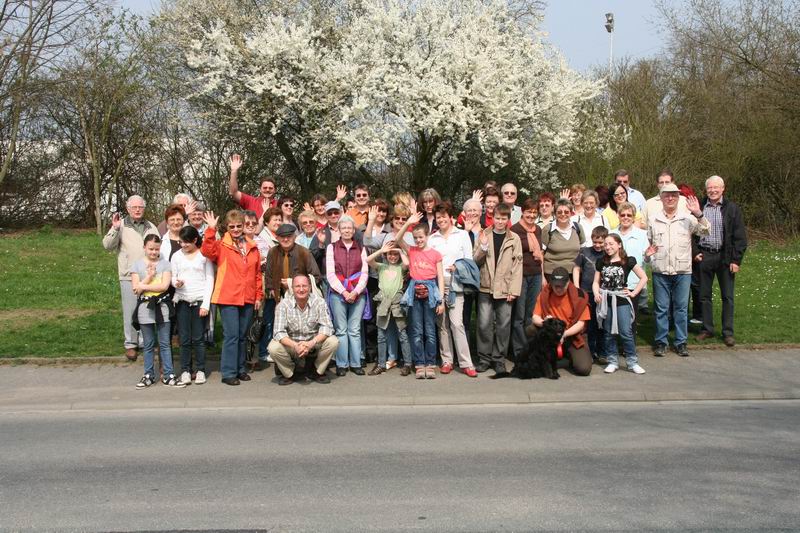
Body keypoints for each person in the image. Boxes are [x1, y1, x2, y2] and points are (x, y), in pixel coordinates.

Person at [645, 183, 709, 358]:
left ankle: (681, 342)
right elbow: (649, 243)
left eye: (674, 195)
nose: (670, 198)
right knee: (661, 309)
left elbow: (705, 231)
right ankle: (661, 342)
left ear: (678, 197)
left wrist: (698, 213)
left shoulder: (687, 218)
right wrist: (649, 258)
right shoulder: (653, 219)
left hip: (682, 270)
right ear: (661, 198)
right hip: (660, 270)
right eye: (667, 195)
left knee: (681, 308)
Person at [201, 210, 263, 385]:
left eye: (239, 226)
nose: (235, 229)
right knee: (232, 335)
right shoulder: (221, 245)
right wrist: (211, 230)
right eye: (232, 226)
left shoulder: (252, 246)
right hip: (228, 296)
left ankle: (240, 369)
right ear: (227, 227)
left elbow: (257, 274)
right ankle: (228, 372)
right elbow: (207, 251)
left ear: (244, 226)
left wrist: (258, 295)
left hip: (248, 296)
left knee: (243, 336)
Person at [102, 195, 160, 361]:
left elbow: (158, 247)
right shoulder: (121, 225)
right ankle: (131, 344)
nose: (137, 210)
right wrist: (114, 229)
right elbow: (107, 245)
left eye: (140, 207)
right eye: (134, 207)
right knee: (130, 311)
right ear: (128, 209)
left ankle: (146, 342)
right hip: (128, 275)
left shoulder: (151, 226)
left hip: (149, 276)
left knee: (147, 310)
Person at [693, 175, 747, 347]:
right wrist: (695, 252)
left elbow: (740, 237)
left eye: (716, 187)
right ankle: (707, 329)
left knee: (727, 296)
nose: (713, 190)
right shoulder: (699, 207)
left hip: (725, 257)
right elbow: (690, 233)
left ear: (723, 189)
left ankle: (728, 332)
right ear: (706, 189)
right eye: (710, 187)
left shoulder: (732, 209)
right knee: (704, 295)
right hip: (705, 255)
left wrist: (736, 260)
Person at [428, 202, 478, 377]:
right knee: (442, 325)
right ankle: (447, 360)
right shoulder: (432, 238)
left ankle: (466, 363)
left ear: (450, 217)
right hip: (437, 284)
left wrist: (458, 267)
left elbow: (469, 260)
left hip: (456, 284)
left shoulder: (462, 235)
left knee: (457, 323)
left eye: (444, 216)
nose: (441, 220)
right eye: (438, 217)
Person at [473, 203, 523, 374]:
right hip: (485, 286)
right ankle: (484, 358)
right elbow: (475, 260)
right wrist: (483, 247)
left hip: (505, 288)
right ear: (492, 218)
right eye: (497, 218)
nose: (500, 221)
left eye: (503, 218)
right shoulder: (484, 234)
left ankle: (499, 359)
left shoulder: (514, 238)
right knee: (484, 324)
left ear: (508, 219)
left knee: (503, 325)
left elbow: (517, 266)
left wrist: (513, 290)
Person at [395, 211, 445, 379]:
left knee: (430, 330)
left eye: (421, 237)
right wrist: (408, 222)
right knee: (416, 330)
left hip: (431, 291)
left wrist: (441, 300)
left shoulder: (435, 254)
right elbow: (398, 239)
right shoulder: (412, 250)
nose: (418, 240)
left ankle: (430, 363)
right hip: (414, 291)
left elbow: (440, 278)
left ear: (427, 236)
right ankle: (419, 363)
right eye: (415, 238)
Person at [131, 234, 184, 388]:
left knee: (165, 343)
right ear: (144, 248)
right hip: (144, 308)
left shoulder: (165, 264)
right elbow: (136, 290)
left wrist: (143, 286)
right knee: (148, 344)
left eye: (156, 249)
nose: (154, 252)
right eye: (151, 249)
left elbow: (164, 286)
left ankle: (168, 374)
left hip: (162, 307)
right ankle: (148, 375)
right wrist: (149, 277)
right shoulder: (137, 265)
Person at [593, 234, 648, 374]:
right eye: (606, 244)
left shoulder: (628, 261)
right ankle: (612, 361)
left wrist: (633, 293)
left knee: (625, 331)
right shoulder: (601, 262)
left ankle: (632, 362)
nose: (607, 247)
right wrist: (596, 293)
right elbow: (596, 282)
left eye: (611, 244)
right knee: (608, 332)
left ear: (619, 245)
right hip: (606, 300)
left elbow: (644, 277)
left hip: (621, 299)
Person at [268, 275, 338, 385]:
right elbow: (278, 332)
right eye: (297, 286)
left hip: (313, 343)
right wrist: (295, 346)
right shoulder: (283, 305)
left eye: (304, 286)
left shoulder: (319, 302)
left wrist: (311, 343)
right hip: (292, 344)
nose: (301, 289)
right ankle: (290, 373)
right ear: (292, 288)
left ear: (310, 287)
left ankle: (316, 371)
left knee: (333, 341)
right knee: (273, 347)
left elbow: (327, 327)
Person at [171, 226, 214, 385]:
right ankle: (185, 370)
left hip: (199, 301)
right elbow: (173, 276)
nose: (183, 245)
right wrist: (176, 283)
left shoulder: (204, 255)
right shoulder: (176, 256)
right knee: (184, 338)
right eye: (181, 242)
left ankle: (200, 369)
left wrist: (206, 304)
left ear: (195, 240)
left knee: (198, 338)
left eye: (187, 242)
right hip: (182, 300)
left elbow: (210, 279)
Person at [326, 216, 369, 376]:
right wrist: (344, 292)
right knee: (341, 330)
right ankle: (342, 364)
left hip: (358, 293)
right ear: (338, 230)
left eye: (349, 228)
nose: (346, 230)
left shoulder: (361, 248)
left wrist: (355, 291)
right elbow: (330, 274)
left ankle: (356, 363)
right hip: (338, 294)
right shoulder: (331, 248)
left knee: (355, 329)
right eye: (343, 228)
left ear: (353, 230)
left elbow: (365, 273)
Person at [530, 267, 593, 376]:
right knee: (530, 329)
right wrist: (545, 323)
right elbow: (535, 317)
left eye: (561, 286)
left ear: (568, 283)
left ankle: (566, 359)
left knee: (584, 369)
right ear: (551, 283)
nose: (558, 289)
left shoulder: (579, 296)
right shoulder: (545, 293)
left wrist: (564, 334)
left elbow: (581, 323)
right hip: (551, 333)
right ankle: (540, 357)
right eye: (556, 286)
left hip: (572, 335)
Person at [365, 240, 412, 375]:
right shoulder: (381, 267)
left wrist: (400, 251)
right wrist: (382, 250)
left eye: (395, 254)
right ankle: (381, 364)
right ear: (385, 255)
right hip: (383, 303)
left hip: (397, 304)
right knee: (381, 335)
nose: (392, 257)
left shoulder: (400, 268)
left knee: (402, 334)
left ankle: (408, 363)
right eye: (390, 254)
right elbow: (368, 260)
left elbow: (407, 263)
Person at [509, 198, 544, 364]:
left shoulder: (538, 230)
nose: (531, 215)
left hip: (536, 274)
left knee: (531, 314)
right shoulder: (514, 230)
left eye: (534, 212)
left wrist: (543, 276)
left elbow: (541, 255)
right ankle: (519, 351)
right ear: (522, 212)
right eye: (529, 212)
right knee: (519, 315)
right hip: (520, 276)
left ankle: (530, 349)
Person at [572, 226, 608, 364]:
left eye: (601, 243)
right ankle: (591, 352)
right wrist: (577, 287)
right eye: (595, 242)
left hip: (603, 293)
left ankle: (603, 352)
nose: (598, 245)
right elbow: (576, 268)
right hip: (587, 291)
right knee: (590, 324)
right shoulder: (584, 252)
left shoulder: (608, 253)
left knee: (603, 323)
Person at [612, 201, 651, 317]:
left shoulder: (642, 235)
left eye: (629, 215)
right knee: (614, 316)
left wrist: (648, 255)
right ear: (618, 216)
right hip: (614, 282)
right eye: (623, 215)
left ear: (633, 217)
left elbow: (648, 261)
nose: (626, 217)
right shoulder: (611, 233)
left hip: (634, 282)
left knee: (631, 316)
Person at [541, 198, 584, 283]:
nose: (563, 214)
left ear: (571, 213)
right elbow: (540, 254)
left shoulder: (578, 228)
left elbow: (583, 251)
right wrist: (542, 278)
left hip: (574, 274)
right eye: (559, 212)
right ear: (555, 213)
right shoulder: (548, 229)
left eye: (566, 212)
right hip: (552, 274)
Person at [228, 153, 277, 218]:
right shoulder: (251, 201)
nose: (267, 190)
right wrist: (234, 171)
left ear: (275, 190)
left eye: (270, 188)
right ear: (260, 189)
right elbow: (233, 192)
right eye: (265, 188)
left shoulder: (281, 205)